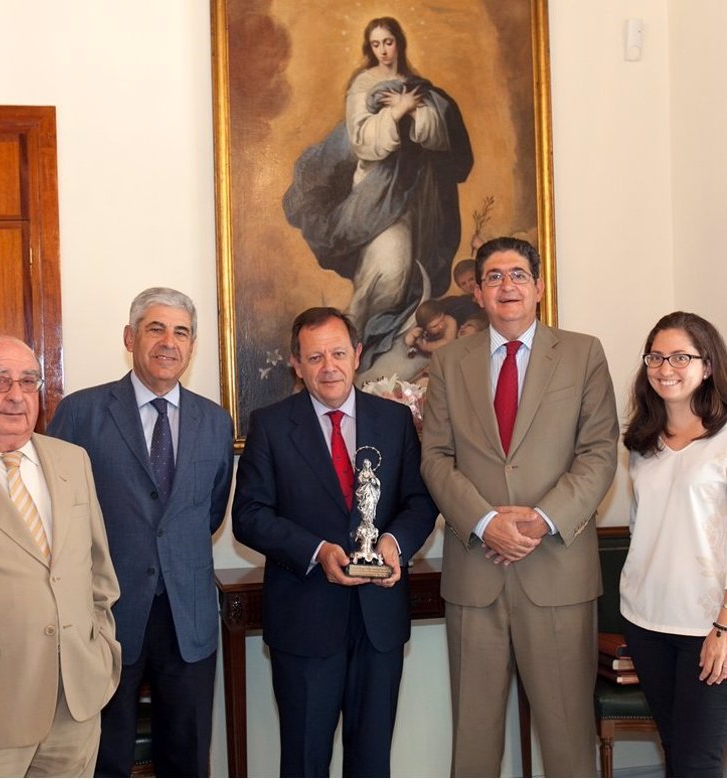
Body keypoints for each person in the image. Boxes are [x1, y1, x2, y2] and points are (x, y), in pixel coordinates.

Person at [420, 237, 619, 777]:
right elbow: (435, 456)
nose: (506, 285)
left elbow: (600, 451)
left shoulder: (582, 353)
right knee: (475, 740)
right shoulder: (448, 363)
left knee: (567, 738)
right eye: (493, 277)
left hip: (556, 571)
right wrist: (485, 523)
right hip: (475, 576)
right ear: (477, 292)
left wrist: (539, 520)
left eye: (517, 274)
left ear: (538, 286)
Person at [232, 306, 437, 777]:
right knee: (305, 761)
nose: (329, 366)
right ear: (296, 364)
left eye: (339, 353)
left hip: (378, 623)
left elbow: (420, 503)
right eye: (315, 356)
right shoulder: (270, 424)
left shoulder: (395, 420)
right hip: (305, 619)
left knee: (372, 762)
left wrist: (395, 544)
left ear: (358, 355)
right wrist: (317, 551)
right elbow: (248, 516)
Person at [47, 288, 233, 777]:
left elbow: (209, 512)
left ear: (192, 346)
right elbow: (58, 513)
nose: (168, 342)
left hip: (187, 618)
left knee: (187, 757)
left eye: (181, 332)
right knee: (105, 756)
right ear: (130, 337)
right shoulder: (80, 413)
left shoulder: (215, 422)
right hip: (105, 615)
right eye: (156, 328)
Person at [0, 335, 120, 777]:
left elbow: (99, 574)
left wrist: (102, 652)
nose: (16, 395)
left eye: (28, 381)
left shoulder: (73, 461)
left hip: (74, 704)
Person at [283, 17, 473, 372]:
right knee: (389, 269)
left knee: (416, 278)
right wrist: (399, 111)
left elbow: (438, 136)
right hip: (380, 194)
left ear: (399, 43)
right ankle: (354, 345)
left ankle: (384, 363)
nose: (384, 50)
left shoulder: (418, 87)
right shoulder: (364, 85)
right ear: (369, 49)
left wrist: (416, 110)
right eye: (376, 44)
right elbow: (363, 143)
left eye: (389, 42)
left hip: (420, 197)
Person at [621, 311, 727, 777]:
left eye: (681, 356)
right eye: (656, 357)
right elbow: (641, 527)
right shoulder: (642, 443)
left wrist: (724, 627)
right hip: (645, 620)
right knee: (673, 748)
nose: (666, 367)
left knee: (697, 762)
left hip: (708, 626)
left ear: (707, 365)